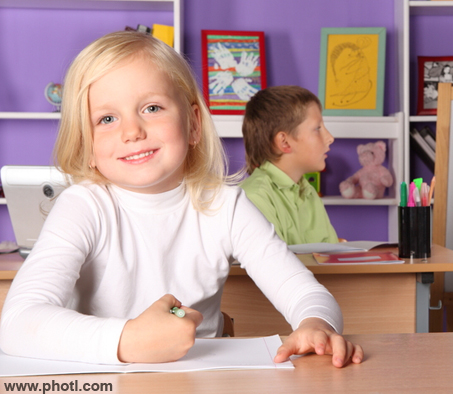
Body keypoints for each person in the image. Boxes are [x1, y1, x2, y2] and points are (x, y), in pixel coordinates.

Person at [0, 31, 362, 367]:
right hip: (105, 377)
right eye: (107, 118)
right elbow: (17, 322)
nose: (132, 131)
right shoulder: (83, 207)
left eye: (152, 108)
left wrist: (317, 325)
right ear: (86, 145)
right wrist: (127, 341)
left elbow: (306, 293)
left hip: (199, 378)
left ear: (192, 123)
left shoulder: (225, 204)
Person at [239, 86, 339, 245]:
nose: (330, 138)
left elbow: (327, 256)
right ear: (284, 142)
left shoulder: (308, 191)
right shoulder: (254, 197)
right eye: (318, 128)